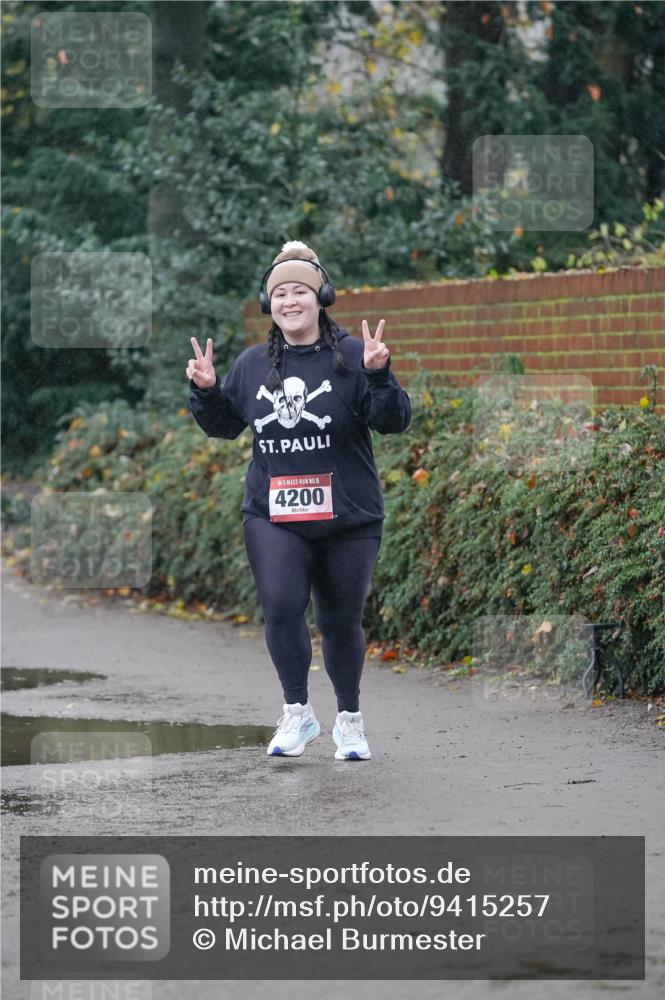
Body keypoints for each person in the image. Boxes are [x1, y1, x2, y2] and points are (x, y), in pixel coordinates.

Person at [187, 241, 411, 761]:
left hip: (349, 516)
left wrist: (380, 373)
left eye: (300, 292)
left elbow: (394, 419)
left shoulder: (354, 356)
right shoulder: (251, 364)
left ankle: (349, 721)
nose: (290, 301)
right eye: (280, 293)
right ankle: (298, 714)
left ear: (320, 298)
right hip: (274, 515)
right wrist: (206, 390)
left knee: (339, 621)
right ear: (270, 305)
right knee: (282, 607)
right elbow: (223, 427)